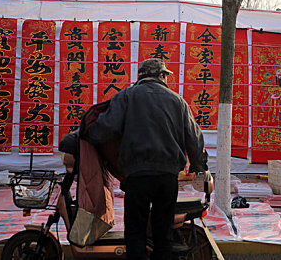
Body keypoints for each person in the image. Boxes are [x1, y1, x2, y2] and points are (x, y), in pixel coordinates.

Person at [83, 58, 207, 259]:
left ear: (140, 77)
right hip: (167, 176)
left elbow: (106, 129)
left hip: (137, 176)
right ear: (161, 76)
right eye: (166, 76)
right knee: (163, 231)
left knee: (135, 231)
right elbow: (194, 137)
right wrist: (198, 164)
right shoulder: (178, 101)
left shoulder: (126, 97)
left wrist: (87, 134)